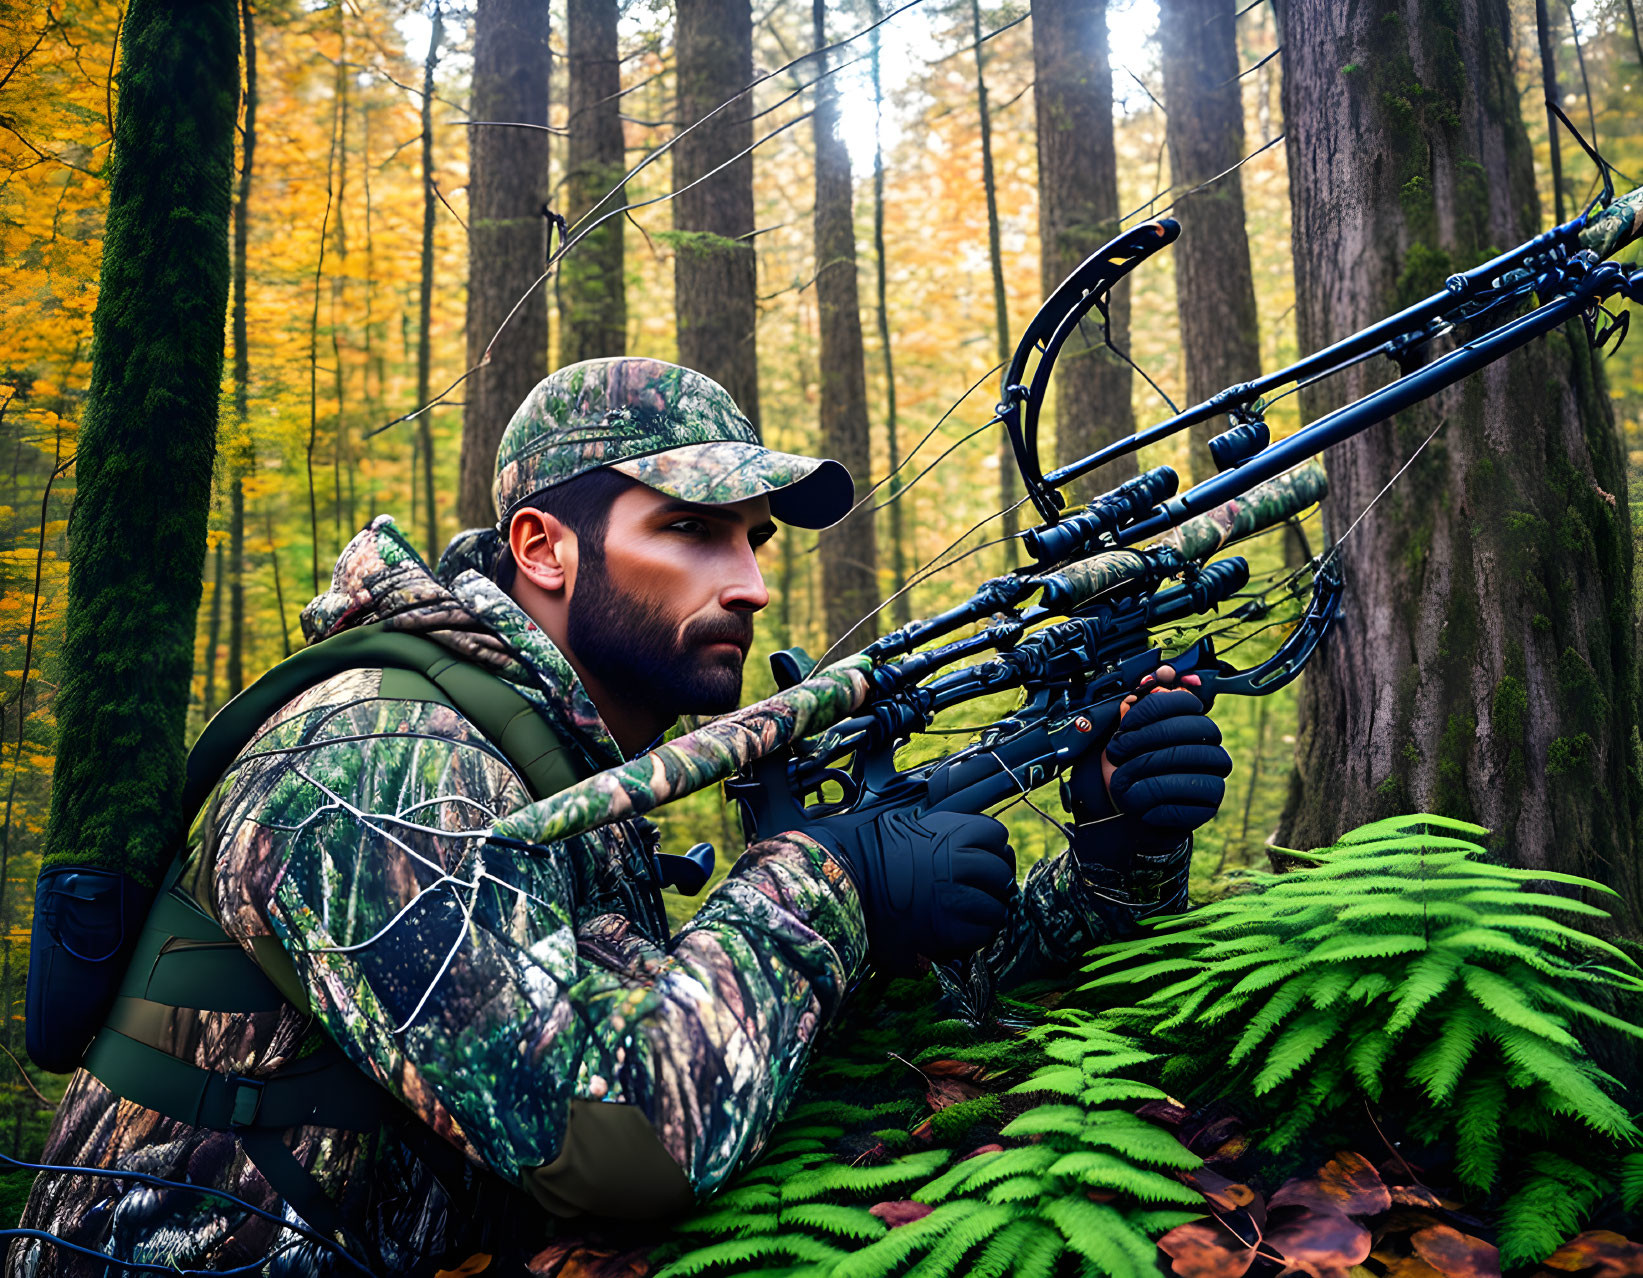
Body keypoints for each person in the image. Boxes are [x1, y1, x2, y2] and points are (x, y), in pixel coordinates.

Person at [13, 357, 1230, 1277]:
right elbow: (626, 1136)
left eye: (752, 541)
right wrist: (822, 884)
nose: (749, 581)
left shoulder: (557, 768)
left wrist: (1119, 851)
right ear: (543, 547)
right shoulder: (381, 760)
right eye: (691, 532)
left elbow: (773, 1061)